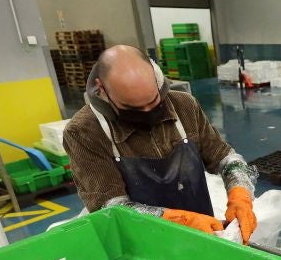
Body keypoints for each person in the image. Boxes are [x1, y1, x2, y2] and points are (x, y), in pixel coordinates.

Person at [63, 45, 257, 243]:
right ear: (102, 89)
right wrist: (181, 220)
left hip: (204, 231)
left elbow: (225, 157)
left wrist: (240, 194)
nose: (148, 112)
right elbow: (112, 208)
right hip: (141, 245)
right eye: (133, 108)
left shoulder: (184, 106)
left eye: (154, 101)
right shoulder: (84, 132)